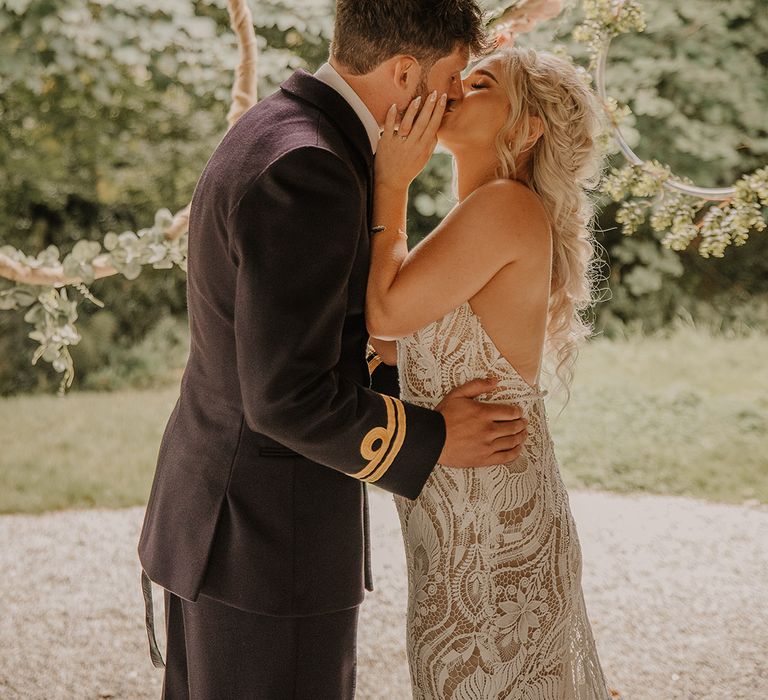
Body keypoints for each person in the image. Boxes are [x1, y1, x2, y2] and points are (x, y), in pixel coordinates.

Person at [137, 2, 531, 698]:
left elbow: (312, 339)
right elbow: (287, 397)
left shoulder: (281, 127)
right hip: (265, 541)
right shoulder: (311, 171)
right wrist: (434, 437)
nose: (455, 95)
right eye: (453, 76)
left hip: (228, 522)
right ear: (405, 71)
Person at [366, 47, 612, 698]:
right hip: (463, 521)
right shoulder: (488, 213)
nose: (456, 89)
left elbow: (386, 314)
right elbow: (396, 351)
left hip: (493, 533)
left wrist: (392, 181)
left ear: (526, 130)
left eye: (480, 85)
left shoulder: (504, 205)